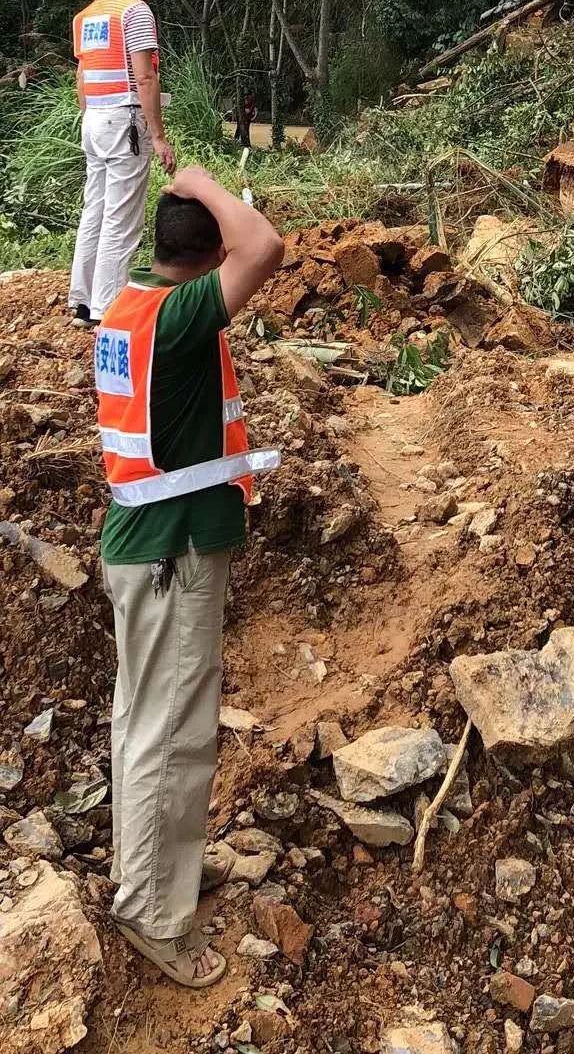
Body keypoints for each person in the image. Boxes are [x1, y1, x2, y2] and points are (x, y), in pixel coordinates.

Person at [95, 166, 284, 988]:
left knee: (148, 724)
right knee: (173, 736)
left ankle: (151, 878)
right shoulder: (177, 319)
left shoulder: (126, 307)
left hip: (146, 548)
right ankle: (153, 915)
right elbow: (267, 245)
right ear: (208, 260)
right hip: (171, 554)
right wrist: (202, 177)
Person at [70, 0, 176, 327]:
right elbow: (145, 78)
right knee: (122, 219)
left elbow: (81, 77)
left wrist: (92, 116)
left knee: (94, 211)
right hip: (124, 121)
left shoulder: (87, 15)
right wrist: (159, 136)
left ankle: (82, 302)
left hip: (94, 119)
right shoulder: (135, 12)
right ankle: (107, 310)